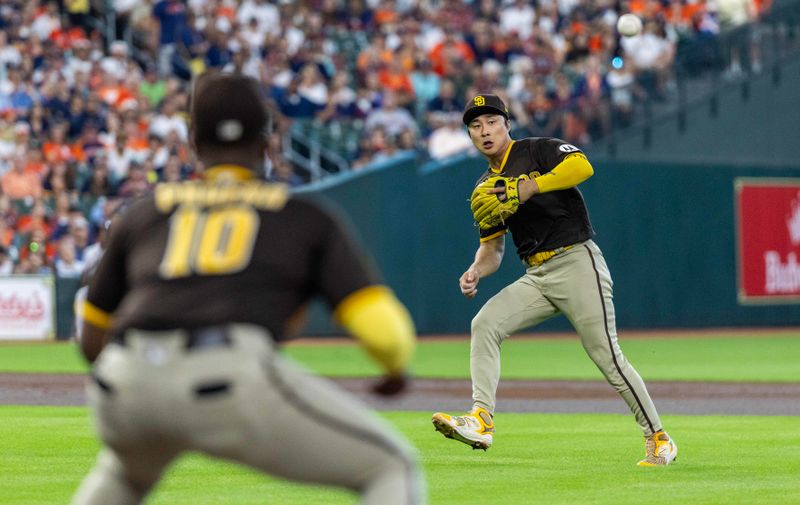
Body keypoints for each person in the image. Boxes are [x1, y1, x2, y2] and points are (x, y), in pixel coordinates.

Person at [72, 72, 425, 504]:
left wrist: (146, 382)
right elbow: (385, 335)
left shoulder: (145, 212)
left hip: (122, 381)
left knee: (126, 475)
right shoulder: (301, 216)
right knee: (391, 466)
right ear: (267, 144)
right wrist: (394, 369)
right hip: (225, 373)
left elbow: (90, 338)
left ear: (194, 144)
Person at [431, 94, 677, 467]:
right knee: (485, 323)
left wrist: (531, 186)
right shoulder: (485, 188)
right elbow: (493, 250)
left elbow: (582, 166)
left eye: (492, 122)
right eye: (476, 126)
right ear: (469, 135)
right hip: (537, 275)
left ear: (507, 125)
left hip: (577, 261)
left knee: (606, 356)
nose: (485, 131)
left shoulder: (537, 150)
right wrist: (476, 270)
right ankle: (481, 419)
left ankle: (658, 437)